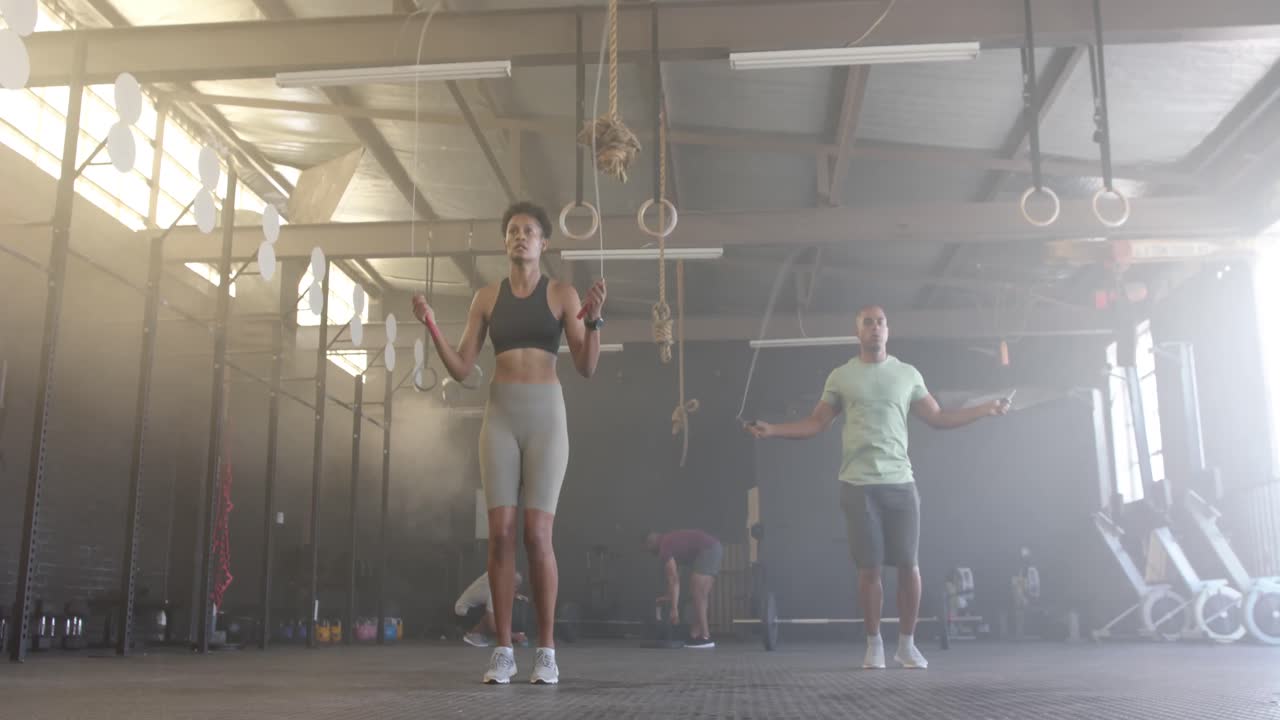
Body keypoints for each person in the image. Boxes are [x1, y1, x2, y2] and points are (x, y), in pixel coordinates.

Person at [744, 305, 1009, 670]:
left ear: (888, 330)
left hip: (901, 483)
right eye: (867, 323)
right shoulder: (842, 376)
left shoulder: (906, 374)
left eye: (880, 322)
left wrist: (982, 410)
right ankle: (874, 646)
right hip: (858, 484)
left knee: (908, 567)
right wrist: (773, 430)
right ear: (858, 332)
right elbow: (816, 423)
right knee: (869, 570)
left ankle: (907, 645)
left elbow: (938, 418)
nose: (875, 328)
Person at [413, 201, 607, 685]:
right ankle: (502, 649)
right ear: (505, 242)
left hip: (546, 417)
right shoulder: (485, 298)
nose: (521, 237)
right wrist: (432, 325)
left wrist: (596, 321)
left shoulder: (562, 293)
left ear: (544, 244)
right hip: (500, 417)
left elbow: (586, 366)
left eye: (530, 231)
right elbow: (462, 370)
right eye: (514, 231)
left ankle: (546, 651)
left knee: (536, 536)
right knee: (499, 536)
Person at [645, 529, 723, 648]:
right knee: (701, 596)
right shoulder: (671, 542)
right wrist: (670, 596)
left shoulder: (664, 547)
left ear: (651, 542)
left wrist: (674, 609)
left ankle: (706, 637)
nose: (649, 551)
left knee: (698, 594)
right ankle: (695, 635)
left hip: (708, 550)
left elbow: (673, 579)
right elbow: (676, 575)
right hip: (714, 548)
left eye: (647, 547)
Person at [454, 571, 528, 647]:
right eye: (514, 586)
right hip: (463, 613)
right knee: (495, 612)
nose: (515, 589)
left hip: (469, 607)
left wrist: (514, 594)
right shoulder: (494, 591)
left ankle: (482, 634)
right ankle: (473, 635)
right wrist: (514, 636)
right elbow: (493, 626)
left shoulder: (495, 575)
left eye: (517, 587)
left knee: (498, 606)